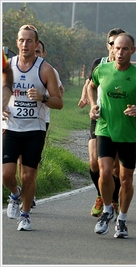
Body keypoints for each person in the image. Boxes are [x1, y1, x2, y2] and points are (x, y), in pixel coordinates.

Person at [87, 33, 136, 238]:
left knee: (126, 180)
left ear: (132, 51)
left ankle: (122, 219)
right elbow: (91, 87)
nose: (120, 52)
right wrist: (93, 105)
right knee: (105, 172)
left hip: (128, 134)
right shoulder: (102, 70)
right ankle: (107, 209)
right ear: (112, 49)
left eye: (125, 49)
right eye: (117, 48)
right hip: (105, 129)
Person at [3, 24, 63, 231]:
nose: (25, 44)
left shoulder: (45, 69)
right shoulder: (7, 66)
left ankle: (25, 215)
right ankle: (15, 194)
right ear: (17, 42)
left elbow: (58, 102)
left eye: (30, 41)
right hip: (11, 127)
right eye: (22, 40)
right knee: (6, 174)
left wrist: (43, 97)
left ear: (36, 44)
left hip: (34, 129)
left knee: (29, 175)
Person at [78, 28, 125, 217]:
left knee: (113, 167)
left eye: (120, 45)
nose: (116, 48)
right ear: (108, 46)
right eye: (113, 44)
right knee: (93, 162)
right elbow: (90, 83)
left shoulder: (126, 67)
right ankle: (101, 196)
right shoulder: (99, 63)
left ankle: (113, 201)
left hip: (118, 119)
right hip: (98, 117)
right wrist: (88, 102)